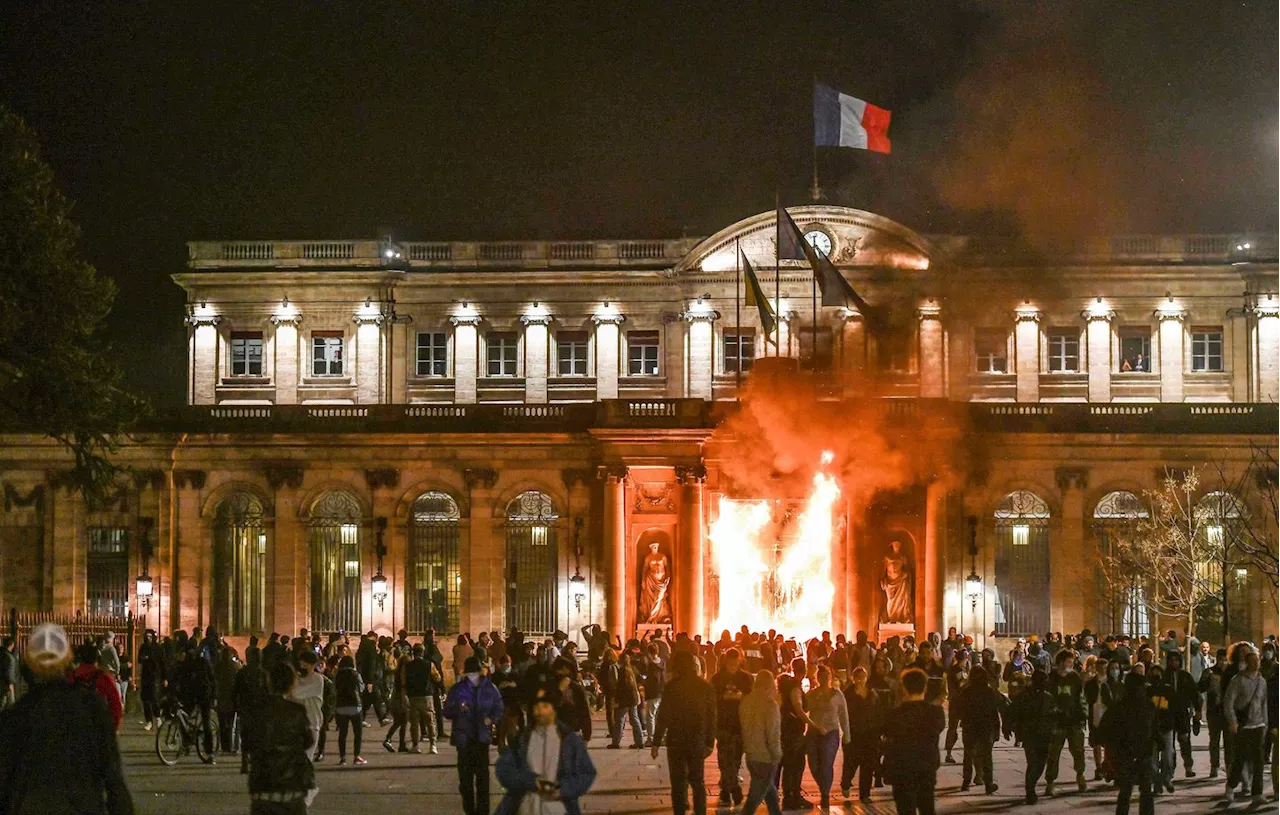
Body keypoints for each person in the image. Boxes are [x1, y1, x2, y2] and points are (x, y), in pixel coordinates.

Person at [0, 623, 134, 814]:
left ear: (28, 663)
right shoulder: (91, 707)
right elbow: (114, 781)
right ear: (67, 659)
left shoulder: (15, 716)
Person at [494, 695, 597, 815]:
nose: (539, 711)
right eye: (536, 707)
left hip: (559, 808)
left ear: (554, 710)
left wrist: (563, 790)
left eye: (545, 706)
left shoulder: (570, 741)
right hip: (525, 807)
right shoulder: (523, 739)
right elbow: (503, 769)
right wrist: (531, 781)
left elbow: (587, 773)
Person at [651, 650, 717, 815]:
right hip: (697, 739)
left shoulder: (672, 687)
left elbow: (663, 715)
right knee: (697, 781)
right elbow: (712, 717)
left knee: (678, 781)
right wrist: (710, 742)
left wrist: (656, 742)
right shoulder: (704, 686)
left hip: (676, 739)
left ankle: (679, 811)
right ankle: (700, 811)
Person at [250, 662, 318, 814]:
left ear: (270, 682)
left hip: (263, 785)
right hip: (291, 786)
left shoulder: (258, 711)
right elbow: (309, 741)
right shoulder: (297, 711)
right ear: (292, 683)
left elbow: (249, 742)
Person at [444, 656, 505, 815]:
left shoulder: (490, 688)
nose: (473, 676)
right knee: (465, 781)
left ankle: (483, 811)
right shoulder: (458, 689)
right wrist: (459, 708)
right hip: (463, 739)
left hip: (481, 738)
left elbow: (499, 708)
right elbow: (447, 711)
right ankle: (470, 810)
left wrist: (491, 719)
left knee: (482, 779)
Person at [881, 668, 944, 815]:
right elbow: (938, 729)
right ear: (925, 687)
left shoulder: (895, 714)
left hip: (901, 768)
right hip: (926, 766)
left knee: (905, 809)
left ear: (903, 688)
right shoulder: (935, 713)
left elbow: (886, 731)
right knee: (927, 807)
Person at [1100, 671, 1156, 815]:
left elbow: (1154, 726)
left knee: (1142, 790)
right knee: (1128, 790)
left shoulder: (1146, 705)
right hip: (1127, 754)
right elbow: (1106, 729)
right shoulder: (1121, 707)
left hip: (1142, 753)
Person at [1223, 649, 1267, 806]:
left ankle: (1257, 794)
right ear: (1247, 663)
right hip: (1244, 726)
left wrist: (1265, 724)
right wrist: (1232, 721)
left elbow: (1264, 704)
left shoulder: (1262, 682)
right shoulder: (1238, 680)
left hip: (1258, 725)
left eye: (1258, 660)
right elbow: (1229, 701)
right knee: (1240, 759)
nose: (1256, 663)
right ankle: (1231, 785)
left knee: (1259, 762)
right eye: (1253, 661)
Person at [711, 647, 753, 807]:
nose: (733, 667)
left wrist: (741, 697)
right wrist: (723, 697)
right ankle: (733, 789)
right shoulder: (717, 678)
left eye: (735, 664)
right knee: (724, 758)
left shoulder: (745, 678)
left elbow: (751, 697)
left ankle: (727, 789)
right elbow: (711, 698)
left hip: (740, 723)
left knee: (735, 759)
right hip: (722, 723)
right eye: (730, 664)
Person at [804, 664, 851, 811]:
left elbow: (844, 715)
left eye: (826, 677)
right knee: (813, 763)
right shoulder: (812, 694)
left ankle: (825, 793)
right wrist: (815, 699)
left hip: (831, 732)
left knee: (826, 762)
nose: (824, 679)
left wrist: (846, 734)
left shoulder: (837, 695)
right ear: (817, 678)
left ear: (831, 678)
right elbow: (804, 709)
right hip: (813, 732)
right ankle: (823, 785)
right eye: (821, 677)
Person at [739, 669, 783, 815]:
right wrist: (777, 755)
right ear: (771, 685)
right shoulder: (770, 705)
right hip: (765, 757)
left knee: (770, 793)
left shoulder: (745, 701)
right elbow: (772, 734)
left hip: (751, 754)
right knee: (754, 799)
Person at [1009, 669, 1057, 804]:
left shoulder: (1048, 697)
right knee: (1033, 763)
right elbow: (1013, 712)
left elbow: (1053, 714)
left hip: (1044, 735)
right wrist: (1013, 729)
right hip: (1030, 734)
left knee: (1040, 764)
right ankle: (1030, 791)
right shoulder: (1024, 696)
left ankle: (1031, 787)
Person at [1044, 649, 1088, 795]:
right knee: (1053, 754)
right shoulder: (1051, 678)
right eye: (1068, 661)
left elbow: (1081, 697)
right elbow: (1048, 699)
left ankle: (1080, 775)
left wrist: (1083, 715)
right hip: (1057, 722)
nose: (1071, 664)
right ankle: (1050, 781)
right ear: (1061, 662)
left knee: (1078, 750)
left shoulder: (1074, 677)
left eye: (1072, 662)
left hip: (1074, 721)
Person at [954, 664, 1001, 794]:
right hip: (986, 727)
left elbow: (959, 710)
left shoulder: (966, 691)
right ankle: (988, 783)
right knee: (986, 756)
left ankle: (966, 782)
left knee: (968, 755)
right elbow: (994, 712)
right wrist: (997, 729)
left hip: (970, 727)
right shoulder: (988, 691)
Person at [1155, 651, 1199, 786]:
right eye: (1172, 660)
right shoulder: (1164, 677)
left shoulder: (1185, 676)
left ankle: (1188, 765)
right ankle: (1170, 769)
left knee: (1185, 738)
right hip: (1167, 713)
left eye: (1176, 660)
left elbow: (1194, 693)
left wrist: (1197, 710)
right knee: (1169, 744)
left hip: (1182, 712)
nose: (1174, 663)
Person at [840, 666, 883, 804]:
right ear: (853, 678)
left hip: (869, 734)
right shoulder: (847, 693)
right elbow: (843, 713)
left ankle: (865, 794)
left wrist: (879, 730)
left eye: (862, 677)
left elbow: (877, 711)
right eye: (857, 677)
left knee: (868, 764)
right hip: (853, 733)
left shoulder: (872, 693)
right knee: (851, 763)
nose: (860, 680)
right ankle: (846, 783)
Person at [404, 643, 441, 754]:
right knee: (430, 721)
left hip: (413, 696)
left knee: (414, 723)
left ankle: (416, 745)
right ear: (423, 652)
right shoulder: (429, 664)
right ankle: (433, 745)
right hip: (427, 695)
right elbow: (437, 678)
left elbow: (404, 681)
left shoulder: (408, 666)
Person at [289, 650, 325, 761]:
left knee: (305, 759)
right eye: (301, 665)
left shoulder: (317, 679)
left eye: (305, 665)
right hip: (297, 723)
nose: (302, 667)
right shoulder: (297, 678)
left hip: (312, 723)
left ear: (313, 665)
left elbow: (294, 694)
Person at [1200, 646, 1230, 778]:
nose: (1223, 663)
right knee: (1214, 741)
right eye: (1221, 660)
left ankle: (1229, 767)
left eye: (1225, 660)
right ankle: (1214, 766)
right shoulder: (1210, 673)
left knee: (1229, 742)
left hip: (1228, 712)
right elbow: (1200, 687)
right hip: (1214, 711)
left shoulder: (1231, 674)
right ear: (1217, 659)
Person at [333, 655, 366, 766]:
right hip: (355, 706)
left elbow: (334, 689)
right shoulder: (355, 674)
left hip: (341, 706)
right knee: (358, 733)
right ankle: (356, 756)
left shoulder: (337, 674)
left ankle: (343, 758)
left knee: (343, 733)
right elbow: (361, 688)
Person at [608, 650, 645, 749]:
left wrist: (617, 701)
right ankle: (640, 741)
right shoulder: (632, 669)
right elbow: (640, 679)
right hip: (633, 699)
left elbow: (621, 688)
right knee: (635, 720)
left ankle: (615, 742)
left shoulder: (621, 671)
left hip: (624, 700)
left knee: (619, 721)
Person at [138, 629, 165, 729]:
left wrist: (164, 677)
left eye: (150, 636)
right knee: (145, 699)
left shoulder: (157, 648)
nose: (148, 638)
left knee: (153, 697)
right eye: (147, 636)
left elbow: (162, 663)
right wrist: (143, 658)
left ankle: (157, 716)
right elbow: (139, 659)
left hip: (155, 675)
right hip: (145, 675)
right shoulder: (143, 647)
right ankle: (148, 721)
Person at [0, 637, 15, 711]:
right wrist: (10, 684)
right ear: (12, 645)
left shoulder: (1, 654)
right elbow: (8, 671)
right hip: (6, 686)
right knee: (10, 705)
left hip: (2, 684)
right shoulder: (9, 657)